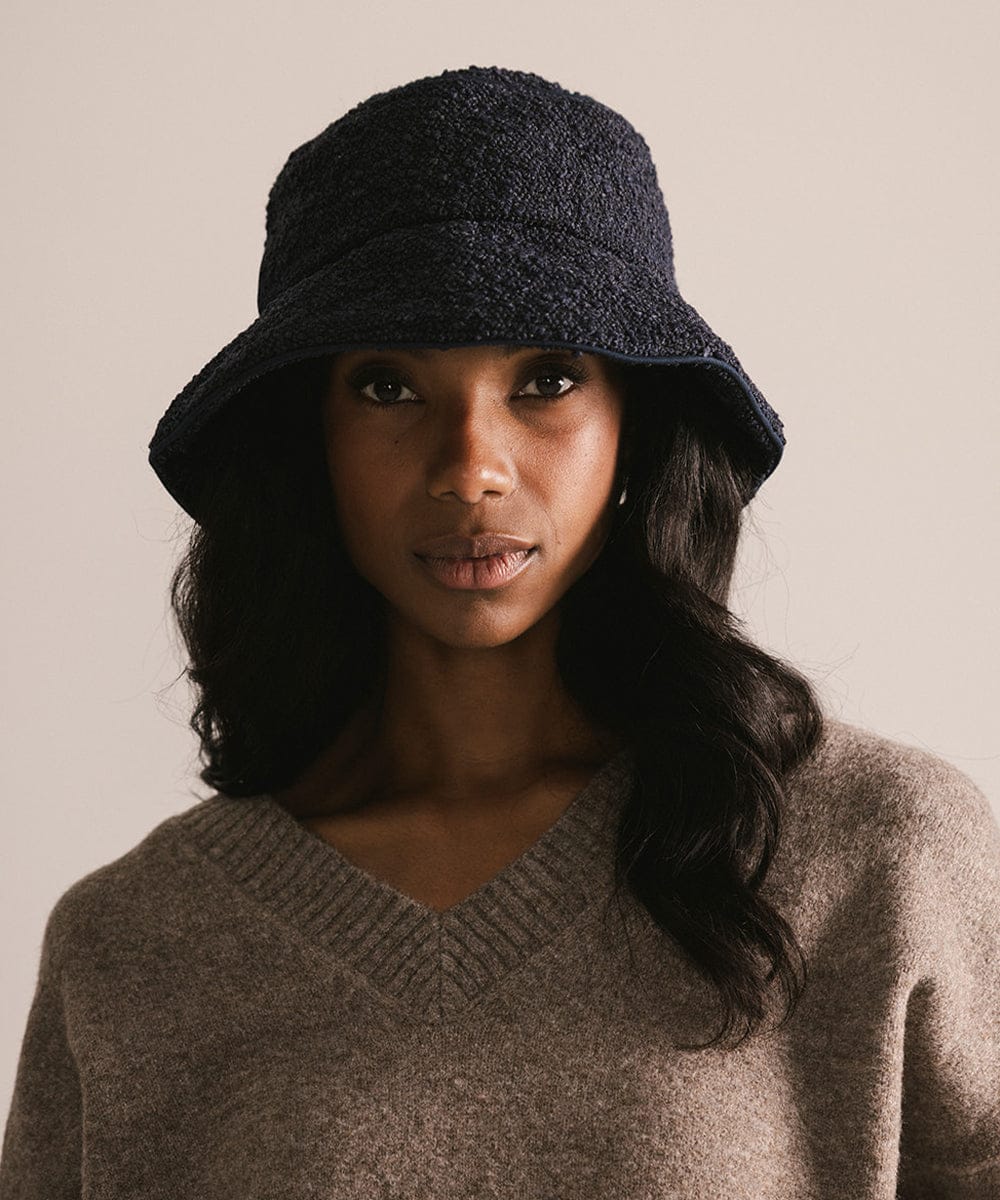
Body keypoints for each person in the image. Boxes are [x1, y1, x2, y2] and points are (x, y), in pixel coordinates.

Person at [1, 64, 997, 1199]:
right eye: (387, 387)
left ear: (639, 427)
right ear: (306, 441)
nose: (470, 466)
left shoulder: (881, 856)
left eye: (546, 379)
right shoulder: (132, 949)